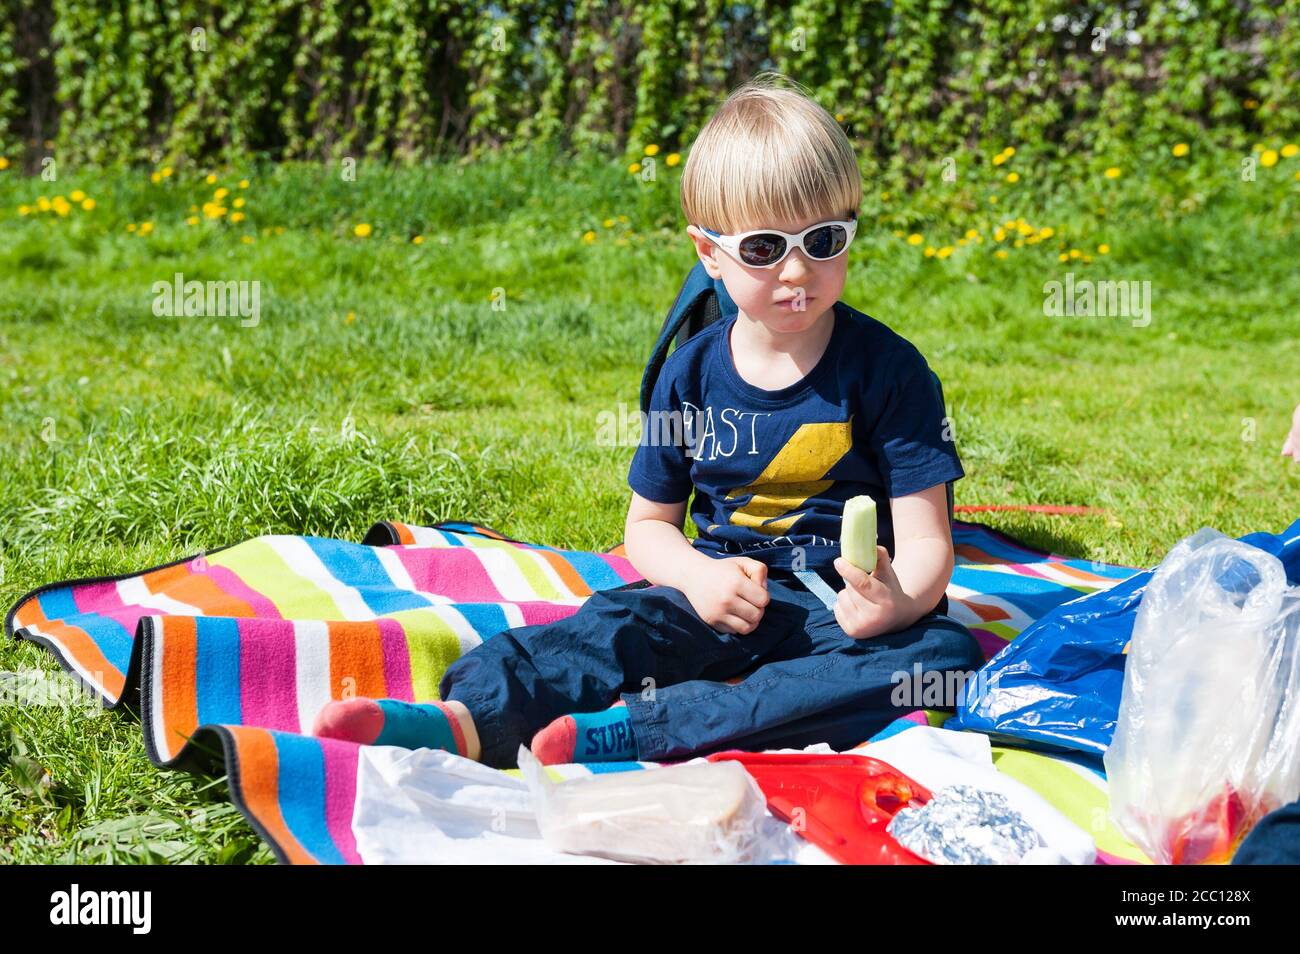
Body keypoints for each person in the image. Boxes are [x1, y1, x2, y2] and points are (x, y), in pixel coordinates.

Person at [310, 73, 983, 768]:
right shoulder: (689, 373)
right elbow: (650, 526)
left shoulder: (892, 372)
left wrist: (893, 603)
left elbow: (929, 547)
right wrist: (696, 578)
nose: (796, 271)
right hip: (720, 586)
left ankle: (640, 730)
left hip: (844, 609)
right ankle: (465, 720)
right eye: (763, 248)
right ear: (708, 253)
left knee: (942, 658)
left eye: (824, 239)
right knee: (610, 626)